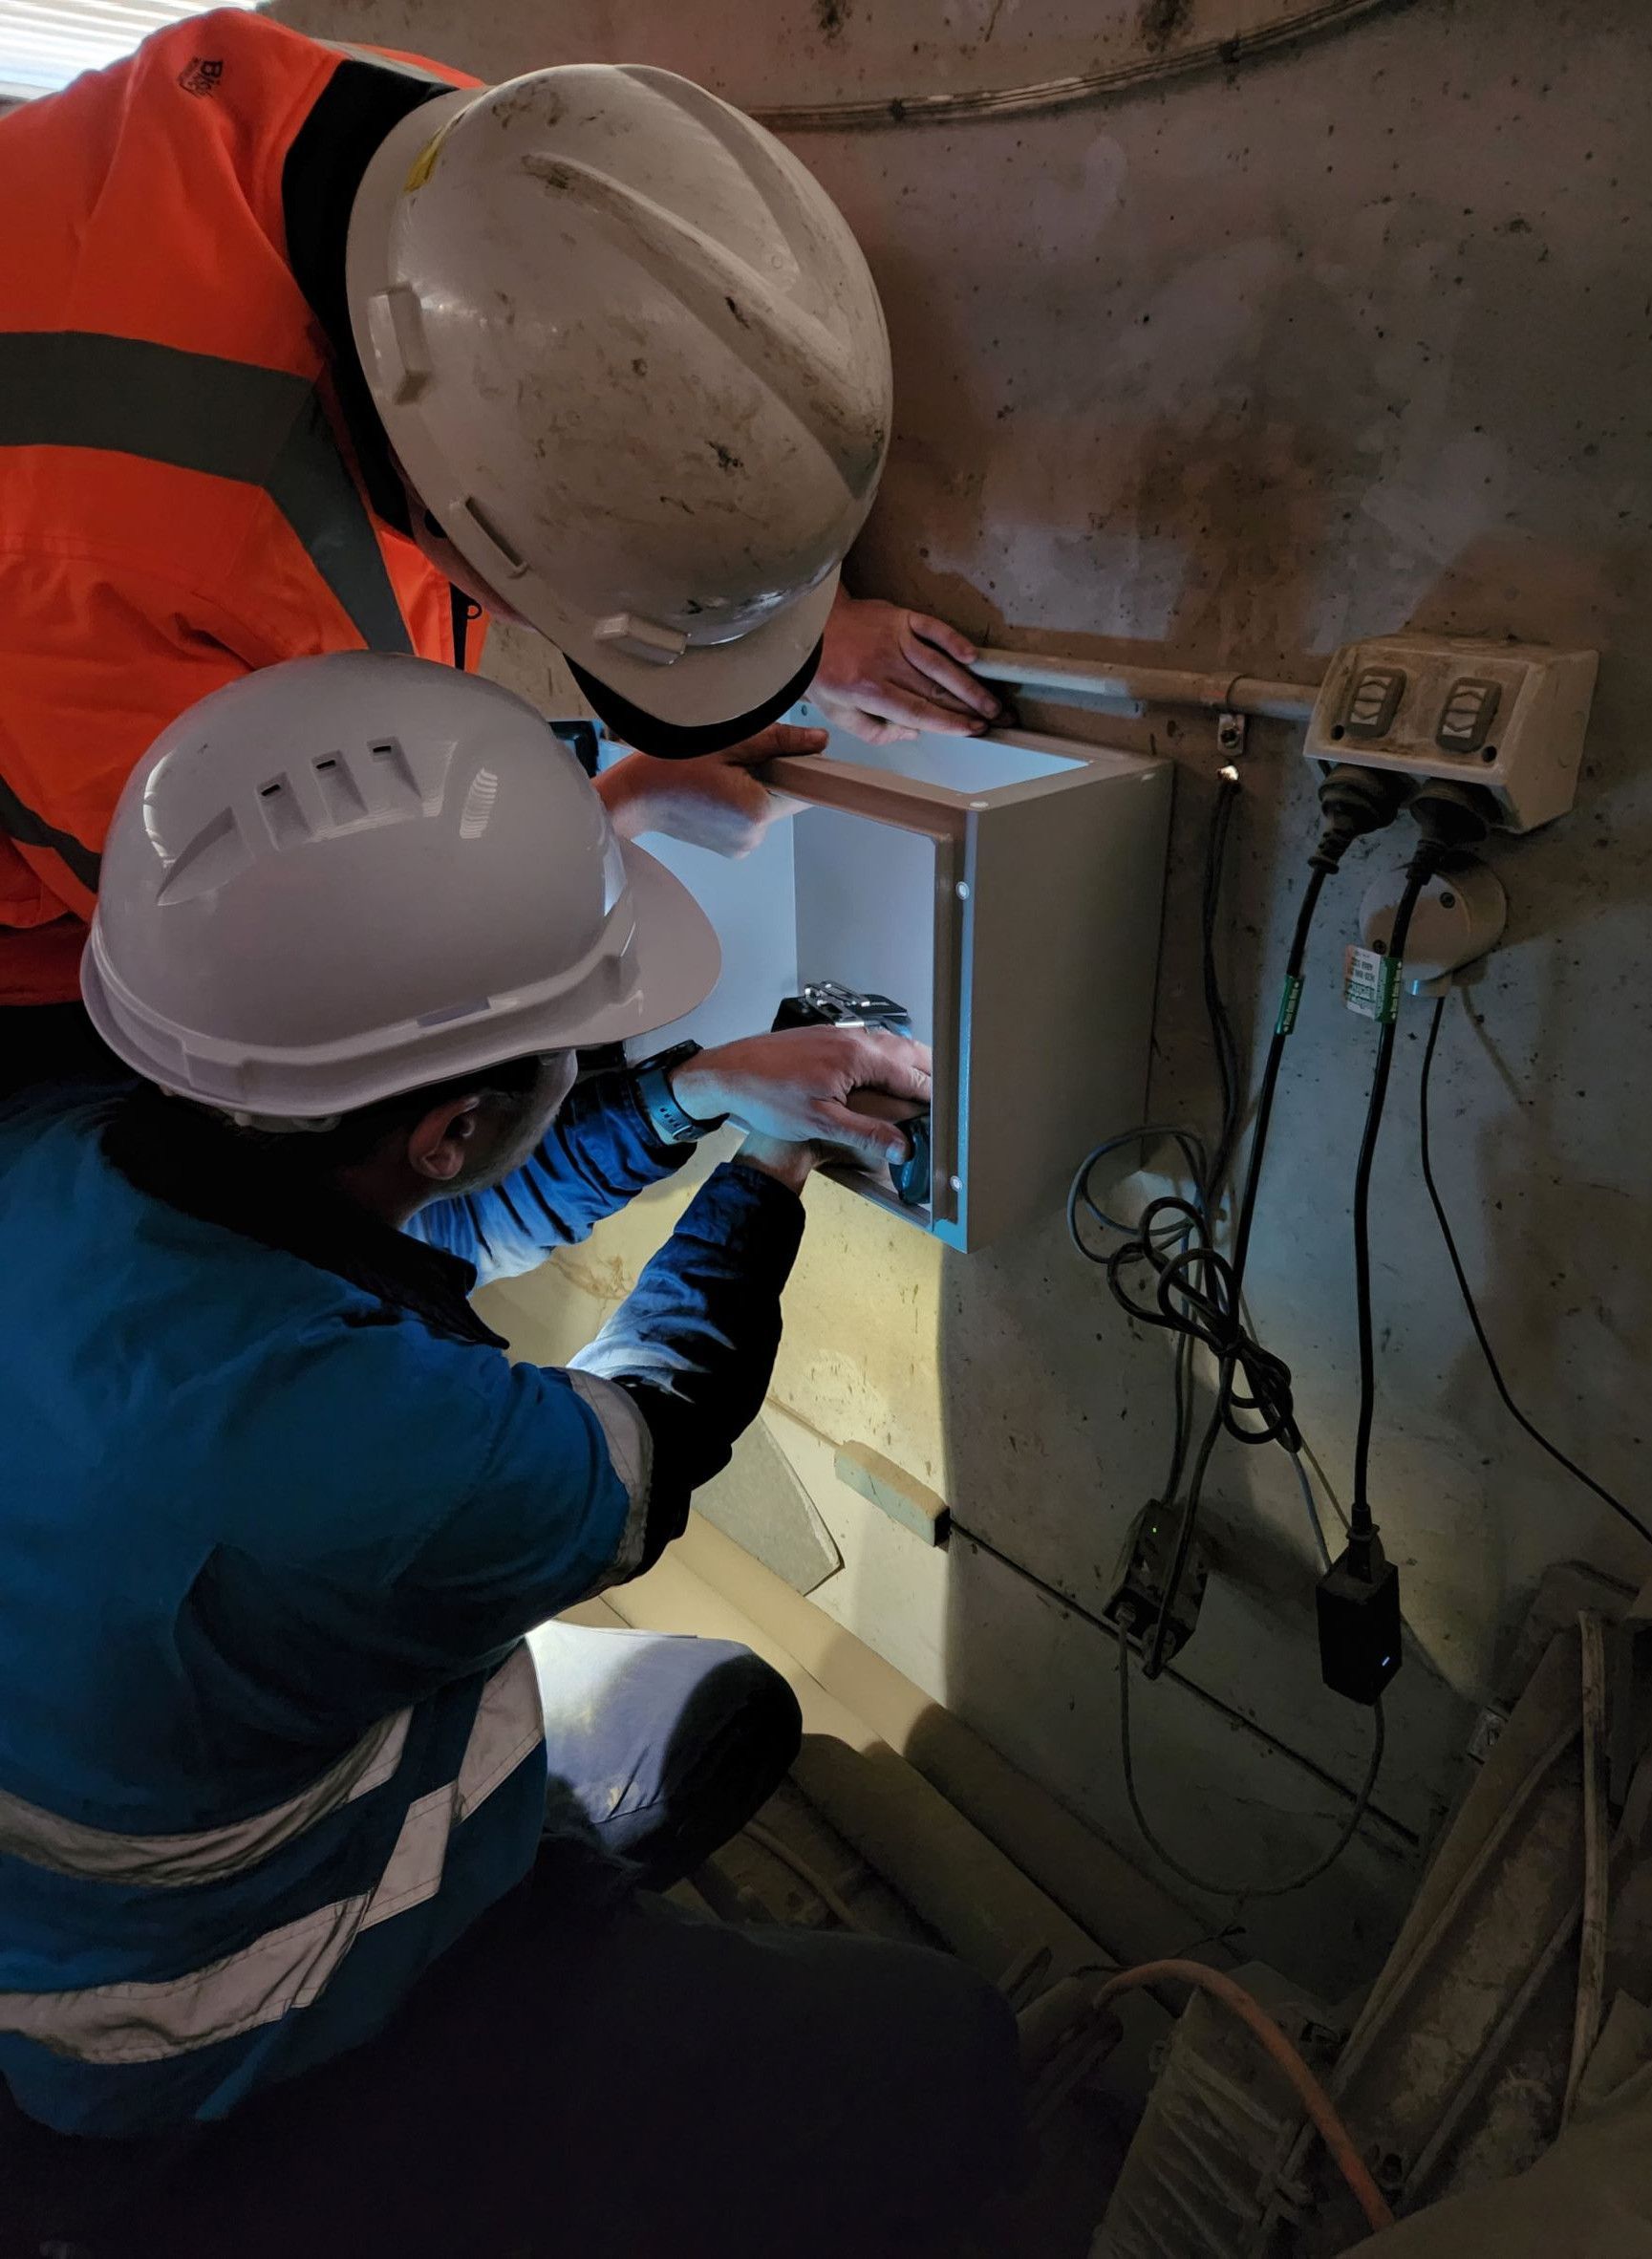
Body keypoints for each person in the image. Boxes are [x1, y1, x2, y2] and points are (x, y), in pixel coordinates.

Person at [0, 653, 1022, 2259]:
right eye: (582, 1043)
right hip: (205, 2036)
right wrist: (764, 1169)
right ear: (450, 1125)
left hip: (92, 1835)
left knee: (713, 1714)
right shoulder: (371, 1452)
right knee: (938, 2054)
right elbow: (644, 1436)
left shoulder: (65, 1158)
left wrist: (693, 1092)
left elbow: (415, 1219)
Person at [0, 6, 1003, 1055]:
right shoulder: (118, 581)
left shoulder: (491, 171)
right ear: (443, 507)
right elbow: (267, 970)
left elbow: (626, 386)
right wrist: (614, 810)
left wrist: (757, 607)